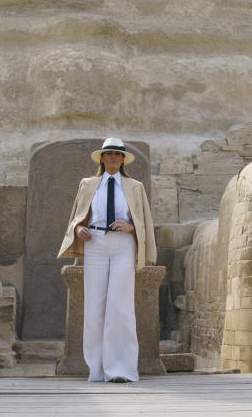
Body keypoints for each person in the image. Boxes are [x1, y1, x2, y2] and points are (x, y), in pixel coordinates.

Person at [57, 137, 157, 382]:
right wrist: (78, 229)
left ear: (123, 159)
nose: (113, 157)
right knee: (94, 306)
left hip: (123, 244)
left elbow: (143, 220)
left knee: (120, 305)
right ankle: (97, 369)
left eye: (118, 154)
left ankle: (121, 369)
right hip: (95, 243)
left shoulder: (135, 186)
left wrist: (130, 226)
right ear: (102, 157)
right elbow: (76, 216)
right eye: (109, 153)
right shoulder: (88, 184)